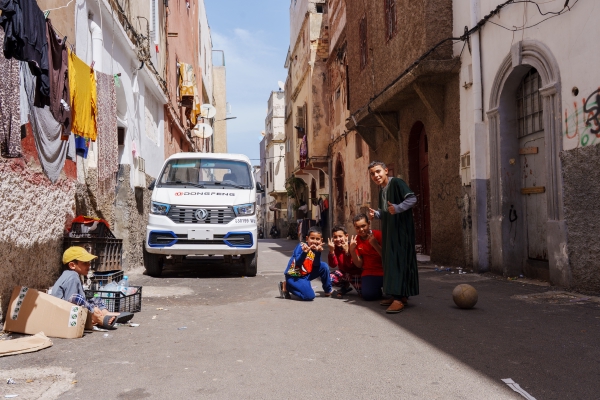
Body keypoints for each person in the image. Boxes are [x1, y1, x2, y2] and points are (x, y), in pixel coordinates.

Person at [367, 161, 419, 314]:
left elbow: (412, 199)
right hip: (390, 232)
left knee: (399, 262)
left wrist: (398, 208)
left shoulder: (396, 183)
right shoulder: (382, 190)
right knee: (391, 262)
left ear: (386, 170)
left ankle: (398, 299)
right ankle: (399, 295)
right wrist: (376, 214)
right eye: (372, 174)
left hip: (401, 231)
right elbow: (386, 212)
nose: (376, 176)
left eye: (378, 172)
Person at [51, 246, 133, 329]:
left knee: (96, 298)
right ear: (72, 265)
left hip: (69, 310)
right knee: (80, 300)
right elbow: (72, 301)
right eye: (85, 263)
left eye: (89, 262)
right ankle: (99, 318)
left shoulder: (71, 275)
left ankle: (106, 313)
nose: (89, 265)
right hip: (64, 315)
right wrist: (92, 309)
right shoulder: (72, 277)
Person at [279, 226, 333, 301]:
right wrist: (304, 253)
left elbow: (316, 265)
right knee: (309, 296)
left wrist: (318, 252)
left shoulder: (316, 249)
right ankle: (287, 286)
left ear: (321, 240)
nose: (314, 241)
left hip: (305, 275)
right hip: (294, 276)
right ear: (307, 239)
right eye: (312, 238)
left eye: (317, 239)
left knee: (324, 266)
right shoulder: (301, 246)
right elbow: (298, 262)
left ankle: (328, 290)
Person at [347, 214, 385, 301]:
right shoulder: (355, 241)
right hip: (369, 272)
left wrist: (375, 245)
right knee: (368, 295)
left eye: (363, 226)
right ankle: (377, 291)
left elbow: (387, 258)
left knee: (396, 294)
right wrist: (352, 250)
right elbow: (359, 264)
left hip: (385, 271)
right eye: (357, 227)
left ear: (369, 224)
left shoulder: (379, 235)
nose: (361, 230)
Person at [327, 225, 362, 298]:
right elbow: (333, 265)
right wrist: (331, 251)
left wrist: (347, 252)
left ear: (346, 236)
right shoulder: (335, 248)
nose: (338, 239)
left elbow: (351, 265)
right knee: (328, 279)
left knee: (363, 293)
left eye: (340, 236)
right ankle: (345, 286)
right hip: (343, 273)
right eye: (335, 237)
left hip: (355, 274)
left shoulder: (352, 246)